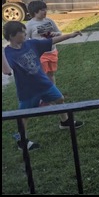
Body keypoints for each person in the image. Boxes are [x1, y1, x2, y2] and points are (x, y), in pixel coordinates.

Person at [3, 21, 84, 151]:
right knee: (23, 116)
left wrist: (70, 35)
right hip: (27, 91)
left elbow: (51, 41)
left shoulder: (31, 44)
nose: (25, 34)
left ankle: (65, 122)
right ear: (12, 36)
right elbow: (6, 71)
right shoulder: (7, 52)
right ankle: (22, 141)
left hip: (44, 83)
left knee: (60, 99)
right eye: (22, 32)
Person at [26, 0, 62, 84]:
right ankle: (45, 94)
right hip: (41, 54)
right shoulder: (29, 25)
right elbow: (26, 41)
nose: (45, 11)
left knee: (51, 74)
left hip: (52, 51)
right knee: (43, 75)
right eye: (42, 10)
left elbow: (60, 33)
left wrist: (55, 34)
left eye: (45, 9)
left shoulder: (49, 21)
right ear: (35, 11)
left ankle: (53, 92)